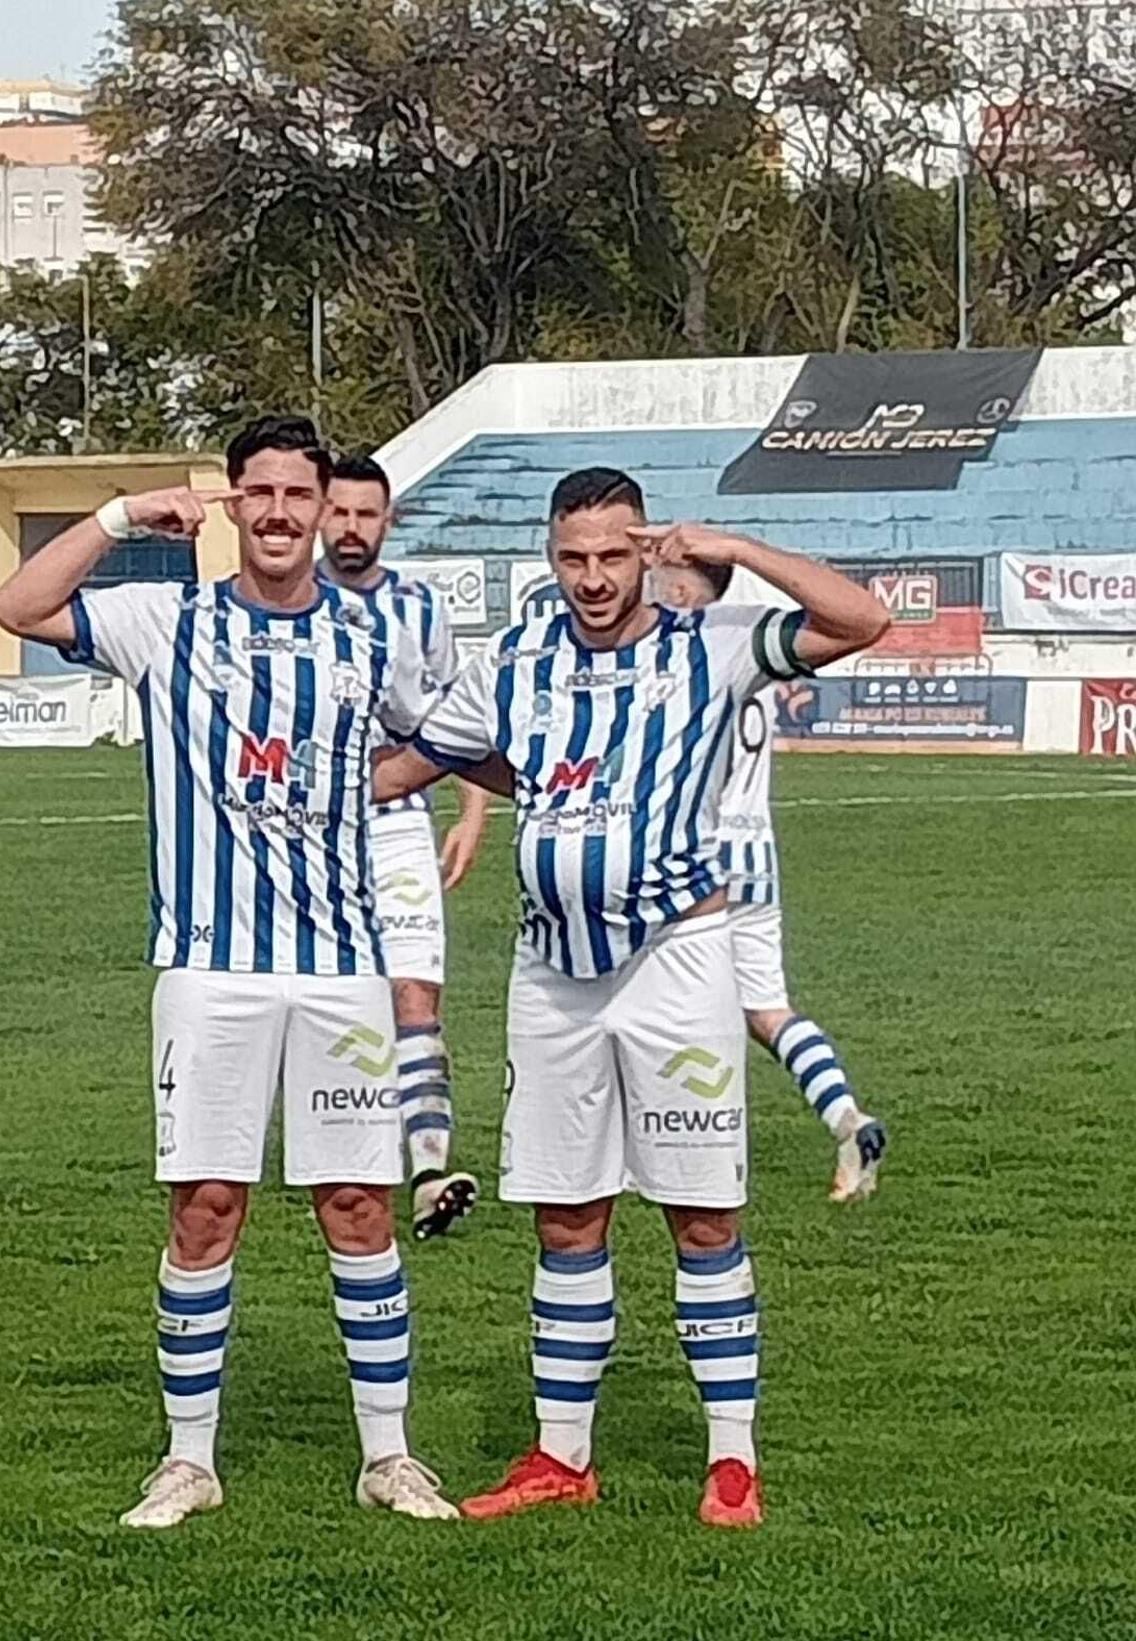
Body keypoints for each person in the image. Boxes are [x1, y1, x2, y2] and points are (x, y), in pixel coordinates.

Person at [374, 468, 888, 1530]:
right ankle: (561, 1455)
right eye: (573, 557)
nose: (594, 577)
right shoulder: (516, 660)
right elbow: (416, 762)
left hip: (677, 962)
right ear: (549, 557)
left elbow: (862, 619)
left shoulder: (712, 645)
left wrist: (734, 549)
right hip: (552, 972)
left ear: (645, 551)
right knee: (566, 1216)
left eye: (614, 554)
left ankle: (732, 1461)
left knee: (701, 1216)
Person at [0, 414, 458, 1532]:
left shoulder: (371, 636)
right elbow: (16, 606)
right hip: (209, 969)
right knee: (206, 1210)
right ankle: (188, 1459)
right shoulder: (170, 620)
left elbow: (444, 736)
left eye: (301, 494)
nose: (283, 513)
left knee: (359, 1205)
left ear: (323, 507)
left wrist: (374, 786)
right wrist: (119, 515)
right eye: (263, 493)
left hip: (343, 969)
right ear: (235, 502)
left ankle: (389, 1456)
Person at [652, 558, 887, 1202]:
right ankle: (846, 1117)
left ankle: (685, 1144)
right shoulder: (753, 647)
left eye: (658, 577)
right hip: (756, 853)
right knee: (766, 1009)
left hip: (697, 853)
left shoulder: (691, 653)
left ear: (681, 589)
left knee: (662, 1003)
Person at [318, 455, 488, 1240]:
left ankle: (428, 1170)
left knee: (416, 997)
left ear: (389, 521)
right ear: (321, 515)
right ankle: (340, 1149)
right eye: (340, 512)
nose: (352, 528)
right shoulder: (289, 603)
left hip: (397, 824)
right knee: (331, 1000)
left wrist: (472, 814)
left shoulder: (419, 609)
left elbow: (461, 719)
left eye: (367, 514)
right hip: (308, 833)